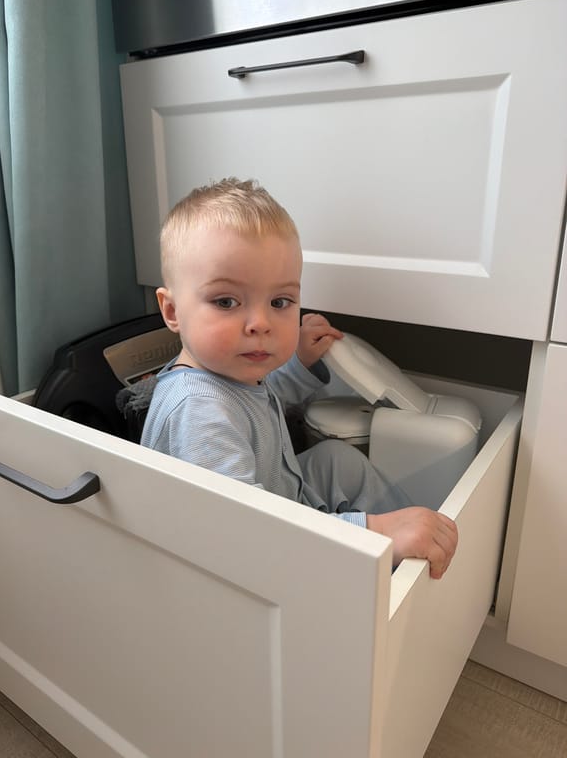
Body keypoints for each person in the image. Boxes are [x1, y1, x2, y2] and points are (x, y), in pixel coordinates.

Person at [141, 178, 458, 578]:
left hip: (280, 499)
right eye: (226, 301)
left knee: (337, 461)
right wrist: (375, 531)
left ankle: (422, 540)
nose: (260, 323)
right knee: (357, 514)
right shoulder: (199, 411)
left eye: (280, 302)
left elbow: (263, 396)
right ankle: (395, 547)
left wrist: (300, 362)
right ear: (171, 311)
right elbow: (246, 536)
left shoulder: (230, 371)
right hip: (252, 554)